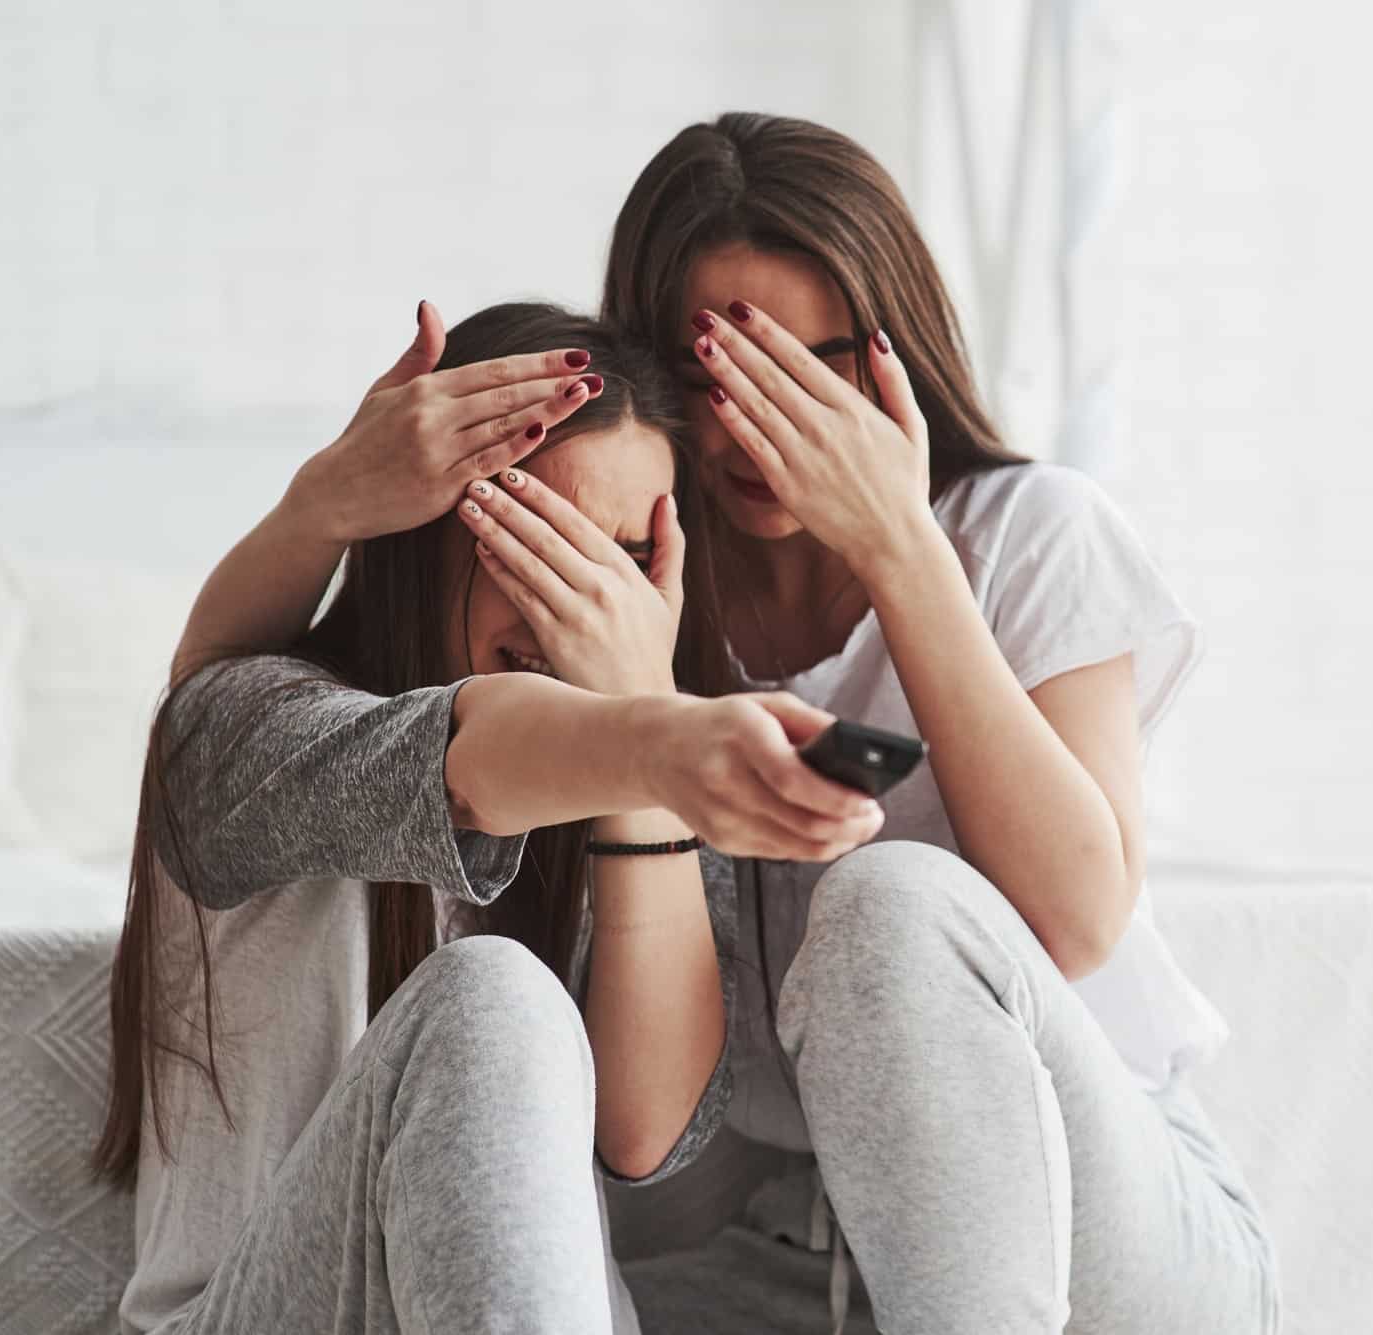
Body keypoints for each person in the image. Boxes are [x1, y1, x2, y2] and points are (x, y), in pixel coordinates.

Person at [178, 113, 1282, 1333]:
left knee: (889, 902)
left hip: (1082, 1204)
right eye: (723, 373)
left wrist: (898, 545)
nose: (770, 420)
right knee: (502, 1006)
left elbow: (1076, 921)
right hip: (762, 1252)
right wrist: (643, 724)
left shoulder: (1022, 536)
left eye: (818, 366)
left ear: (891, 353)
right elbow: (219, 726)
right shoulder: (656, 608)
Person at [96, 302, 883, 1335]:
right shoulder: (239, 725)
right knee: (490, 992)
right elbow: (466, 756)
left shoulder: (641, 788)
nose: (579, 608)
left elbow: (645, 1133)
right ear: (428, 536)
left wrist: (642, 760)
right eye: (534, 539)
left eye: (621, 561)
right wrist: (650, 739)